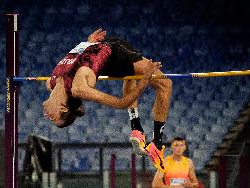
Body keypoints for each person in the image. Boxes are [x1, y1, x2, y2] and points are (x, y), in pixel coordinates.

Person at [43, 29, 172, 172]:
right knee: (165, 84)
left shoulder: (51, 83)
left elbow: (76, 57)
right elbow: (121, 103)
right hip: (115, 56)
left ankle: (137, 129)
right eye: (53, 118)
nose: (47, 116)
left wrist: (89, 42)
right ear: (63, 108)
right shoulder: (79, 88)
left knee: (130, 77)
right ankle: (157, 144)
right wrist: (145, 79)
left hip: (104, 47)